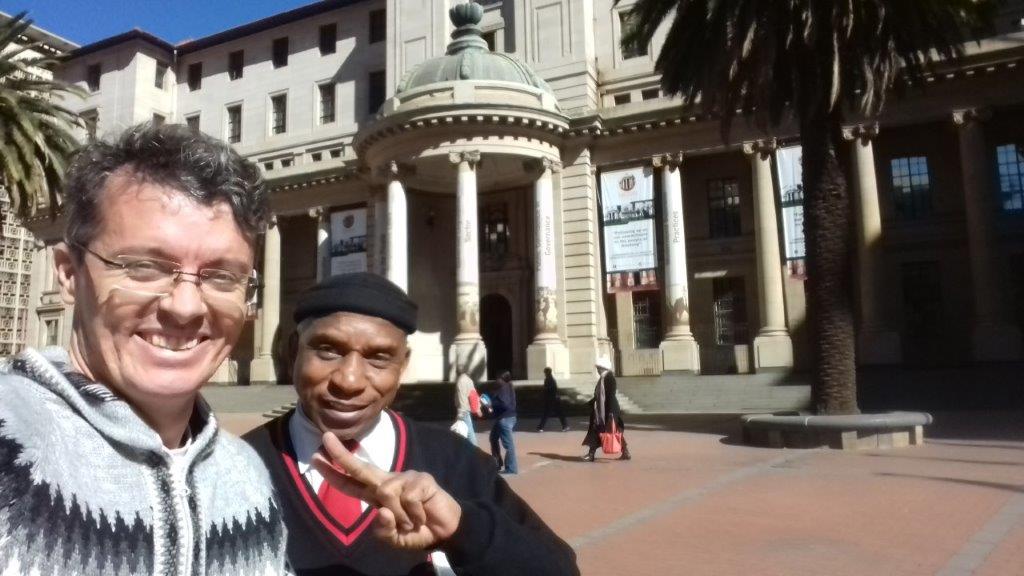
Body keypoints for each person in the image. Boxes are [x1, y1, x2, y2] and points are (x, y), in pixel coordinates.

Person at [0, 123, 288, 575]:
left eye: (221, 277)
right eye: (145, 267)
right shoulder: (9, 441)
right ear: (69, 274)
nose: (186, 307)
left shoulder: (248, 478)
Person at [244, 273, 578, 576]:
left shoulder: (455, 461)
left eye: (378, 357)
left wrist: (463, 530)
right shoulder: (237, 465)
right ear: (293, 352)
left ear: (403, 366)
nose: (349, 380)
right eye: (328, 350)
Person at [582, 357, 631, 462]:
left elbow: (610, 396)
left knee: (609, 431)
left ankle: (591, 454)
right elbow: (599, 396)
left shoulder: (609, 378)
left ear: (603, 368)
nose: (597, 370)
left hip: (608, 410)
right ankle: (625, 452)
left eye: (598, 368)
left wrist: (611, 413)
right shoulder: (603, 378)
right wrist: (589, 404)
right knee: (609, 431)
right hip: (603, 411)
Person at [489, 370, 519, 474]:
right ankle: (497, 463)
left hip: (505, 419)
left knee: (508, 445)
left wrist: (491, 404)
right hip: (506, 417)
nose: (496, 380)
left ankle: (511, 468)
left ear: (502, 379)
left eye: (498, 378)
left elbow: (504, 404)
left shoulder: (504, 388)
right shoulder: (508, 386)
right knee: (493, 438)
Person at [536, 367, 569, 432]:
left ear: (548, 372)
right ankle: (565, 426)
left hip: (552, 399)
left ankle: (540, 427)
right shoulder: (549, 379)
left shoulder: (550, 379)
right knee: (555, 413)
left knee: (549, 413)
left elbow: (550, 389)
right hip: (552, 399)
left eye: (545, 372)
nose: (545, 374)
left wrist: (544, 391)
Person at [454, 367, 481, 445]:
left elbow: (464, 397)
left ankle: (475, 450)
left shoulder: (460, 380)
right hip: (465, 410)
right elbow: (474, 395)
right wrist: (478, 408)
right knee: (461, 431)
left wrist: (461, 412)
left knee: (468, 432)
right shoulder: (468, 380)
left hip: (463, 410)